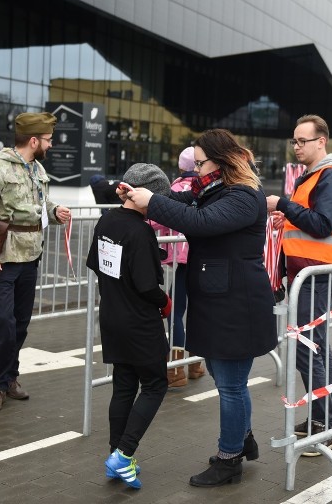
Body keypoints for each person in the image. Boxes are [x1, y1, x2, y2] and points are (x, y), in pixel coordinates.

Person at [124, 129, 276, 488]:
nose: (197, 170)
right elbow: (191, 209)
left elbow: (201, 222)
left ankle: (229, 460)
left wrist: (152, 202)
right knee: (230, 381)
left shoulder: (243, 194)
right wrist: (146, 195)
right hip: (222, 299)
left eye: (201, 162)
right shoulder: (218, 190)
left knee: (231, 385)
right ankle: (242, 440)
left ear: (221, 161)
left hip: (237, 303)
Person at [0, 112, 71, 412]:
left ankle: (11, 377)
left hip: (30, 255)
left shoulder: (35, 168)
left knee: (21, 323)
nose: (50, 146)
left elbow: (38, 203)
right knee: (5, 323)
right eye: (48, 140)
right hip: (2, 257)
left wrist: (55, 211)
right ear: (33, 140)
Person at [266, 114, 332, 456]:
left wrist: (284, 205)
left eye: (303, 141)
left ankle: (324, 428)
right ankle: (322, 421)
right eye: (294, 141)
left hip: (318, 272)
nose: (297, 146)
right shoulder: (314, 176)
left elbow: (323, 224)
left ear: (322, 141)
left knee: (307, 347)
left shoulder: (331, 176)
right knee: (313, 345)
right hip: (309, 273)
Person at [86, 163, 172, 489]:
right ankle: (123, 454)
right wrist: (164, 302)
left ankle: (115, 458)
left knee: (123, 386)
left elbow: (98, 265)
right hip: (140, 321)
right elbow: (147, 285)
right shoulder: (141, 231)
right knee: (154, 385)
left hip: (112, 315)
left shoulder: (106, 220)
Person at [148, 146, 202, 387]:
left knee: (175, 312)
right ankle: (195, 364)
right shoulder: (208, 187)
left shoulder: (177, 188)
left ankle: (176, 370)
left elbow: (160, 219)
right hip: (203, 259)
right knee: (198, 310)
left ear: (182, 166)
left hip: (183, 260)